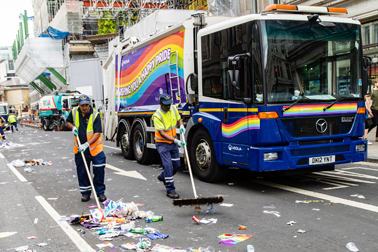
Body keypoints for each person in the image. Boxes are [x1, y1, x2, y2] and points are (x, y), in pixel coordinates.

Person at [65, 94, 107, 203]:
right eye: (82, 105)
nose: (84, 107)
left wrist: (87, 144)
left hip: (95, 148)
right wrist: (72, 127)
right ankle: (85, 193)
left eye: (86, 105)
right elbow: (67, 122)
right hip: (80, 149)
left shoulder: (95, 115)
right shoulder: (74, 112)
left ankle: (100, 192)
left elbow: (97, 133)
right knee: (82, 171)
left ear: (89, 104)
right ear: (78, 104)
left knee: (99, 169)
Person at [152, 94, 186, 199]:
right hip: (162, 144)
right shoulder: (157, 116)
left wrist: (181, 126)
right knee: (168, 166)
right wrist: (176, 140)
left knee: (176, 165)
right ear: (160, 103)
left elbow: (179, 119)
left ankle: (163, 176)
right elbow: (162, 133)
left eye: (169, 104)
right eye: (166, 105)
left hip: (172, 143)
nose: (168, 106)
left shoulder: (174, 108)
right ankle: (170, 190)